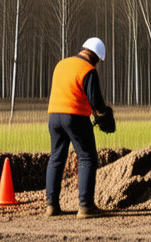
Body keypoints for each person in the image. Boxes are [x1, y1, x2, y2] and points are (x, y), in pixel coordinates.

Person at [46, 37, 113, 218]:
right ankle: (85, 207)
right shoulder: (88, 70)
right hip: (75, 116)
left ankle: (51, 206)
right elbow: (96, 102)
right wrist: (104, 115)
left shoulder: (61, 64)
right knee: (87, 158)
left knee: (56, 159)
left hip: (53, 116)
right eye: (99, 60)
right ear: (96, 57)